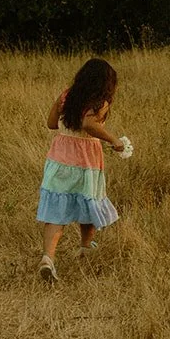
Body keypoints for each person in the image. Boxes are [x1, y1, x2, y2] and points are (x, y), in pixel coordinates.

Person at [36, 57, 125, 283]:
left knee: (56, 210)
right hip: (85, 160)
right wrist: (114, 140)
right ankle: (86, 246)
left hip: (59, 158)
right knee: (88, 200)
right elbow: (88, 124)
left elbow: (51, 123)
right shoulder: (100, 102)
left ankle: (48, 258)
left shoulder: (66, 95)